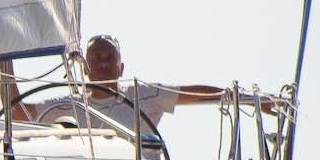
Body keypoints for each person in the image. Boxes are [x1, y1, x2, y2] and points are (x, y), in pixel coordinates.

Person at [32, 34, 225, 133]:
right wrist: (6, 65)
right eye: (97, 58)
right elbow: (18, 111)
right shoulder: (70, 105)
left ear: (121, 67)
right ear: (85, 67)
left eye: (110, 58)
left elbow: (194, 94)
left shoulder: (142, 93)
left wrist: (238, 96)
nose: (104, 63)